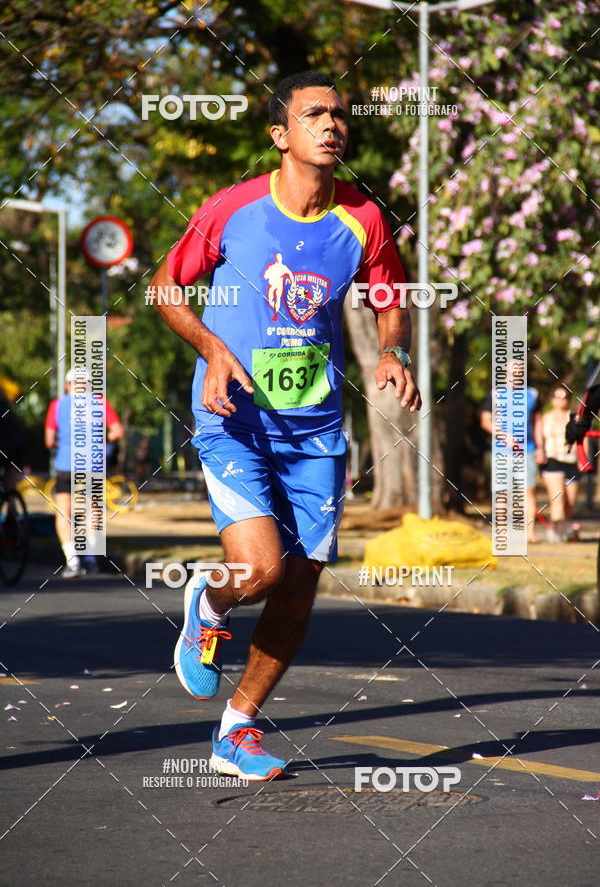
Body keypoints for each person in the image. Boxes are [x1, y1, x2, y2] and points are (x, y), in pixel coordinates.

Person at [151, 70, 421, 781]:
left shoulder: (362, 216)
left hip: (316, 431)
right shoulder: (233, 208)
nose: (331, 124)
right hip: (234, 418)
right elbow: (165, 286)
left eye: (337, 115)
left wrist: (392, 352)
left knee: (300, 586)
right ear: (281, 134)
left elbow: (390, 296)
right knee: (261, 570)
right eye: (313, 115)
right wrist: (211, 350)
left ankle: (236, 729)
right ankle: (208, 601)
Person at [44, 370, 124, 577]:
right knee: (92, 508)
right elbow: (117, 431)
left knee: (64, 510)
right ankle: (90, 558)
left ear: (67, 385)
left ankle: (72, 560)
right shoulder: (100, 402)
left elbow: (49, 440)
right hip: (93, 463)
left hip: (66, 462)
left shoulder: (57, 405)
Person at [480, 362, 543, 543]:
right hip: (501, 452)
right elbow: (485, 421)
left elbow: (537, 422)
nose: (515, 375)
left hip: (527, 452)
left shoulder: (533, 394)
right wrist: (503, 436)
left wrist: (540, 448)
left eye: (519, 372)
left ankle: (529, 534)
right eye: (512, 371)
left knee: (527, 492)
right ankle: (502, 531)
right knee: (501, 493)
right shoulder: (495, 395)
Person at [539, 386, 580, 541]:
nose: (560, 399)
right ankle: (556, 532)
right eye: (556, 396)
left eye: (563, 397)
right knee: (558, 497)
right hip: (553, 460)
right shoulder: (545, 417)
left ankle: (564, 529)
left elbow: (584, 439)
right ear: (552, 399)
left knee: (570, 501)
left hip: (572, 461)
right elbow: (539, 438)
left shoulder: (576, 418)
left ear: (568, 400)